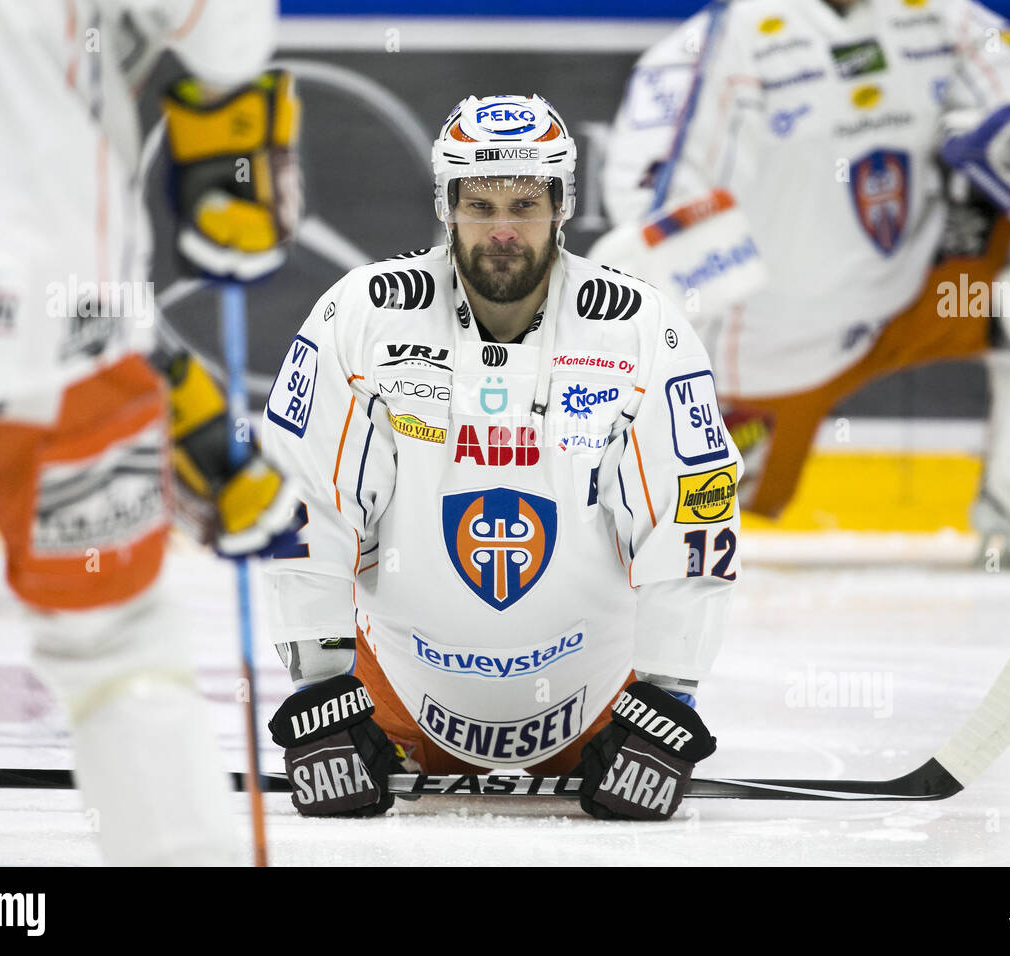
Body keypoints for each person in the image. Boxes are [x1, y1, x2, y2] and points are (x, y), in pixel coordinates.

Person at [0, 0, 301, 864]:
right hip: (40, 328)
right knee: (112, 641)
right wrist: (226, 122)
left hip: (31, 318)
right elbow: (224, 29)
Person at [260, 94, 741, 821]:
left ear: (562, 204)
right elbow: (302, 496)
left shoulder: (642, 331)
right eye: (480, 205)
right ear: (446, 205)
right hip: (391, 716)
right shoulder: (361, 317)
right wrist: (320, 694)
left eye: (526, 204)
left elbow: (695, 511)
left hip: (606, 720)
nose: (504, 231)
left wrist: (666, 704)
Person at [599, 0, 1010, 566]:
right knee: (658, 543)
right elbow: (652, 231)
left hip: (904, 312)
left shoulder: (939, 15)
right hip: (757, 375)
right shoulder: (712, 50)